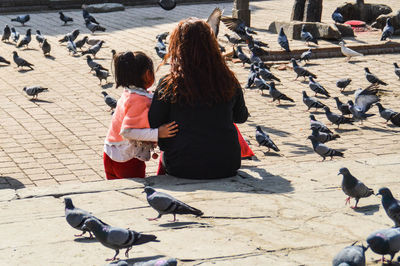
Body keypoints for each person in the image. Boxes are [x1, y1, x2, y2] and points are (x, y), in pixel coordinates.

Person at [149, 18, 249, 179]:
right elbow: (241, 117)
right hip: (226, 164)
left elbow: (154, 122)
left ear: (178, 47)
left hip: (182, 165)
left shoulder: (169, 83)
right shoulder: (228, 80)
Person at [103, 51, 178, 180]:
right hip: (126, 160)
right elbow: (127, 132)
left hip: (110, 154)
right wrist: (158, 133)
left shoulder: (128, 93)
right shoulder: (140, 100)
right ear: (148, 74)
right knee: (135, 195)